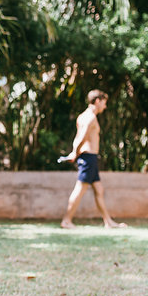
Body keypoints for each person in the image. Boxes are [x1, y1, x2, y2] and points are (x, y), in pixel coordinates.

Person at [59, 90, 126, 229]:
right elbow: (82, 137)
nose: (105, 106)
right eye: (104, 103)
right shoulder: (90, 118)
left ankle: (108, 221)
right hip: (88, 158)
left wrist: (74, 152)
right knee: (79, 189)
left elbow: (77, 138)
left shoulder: (82, 116)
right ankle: (66, 220)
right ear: (97, 101)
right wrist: (74, 153)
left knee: (99, 190)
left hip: (90, 158)